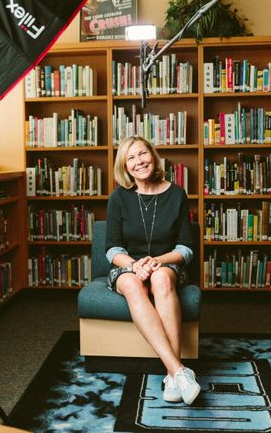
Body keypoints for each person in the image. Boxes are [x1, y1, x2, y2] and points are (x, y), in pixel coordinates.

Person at [106, 135, 200, 405]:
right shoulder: (119, 198)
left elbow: (185, 247)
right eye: (131, 158)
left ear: (153, 156)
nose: (139, 161)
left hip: (166, 263)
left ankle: (172, 376)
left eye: (143, 154)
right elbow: (112, 249)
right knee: (133, 284)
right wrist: (135, 265)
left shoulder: (176, 193)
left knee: (160, 279)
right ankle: (178, 371)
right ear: (125, 167)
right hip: (128, 267)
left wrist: (156, 261)